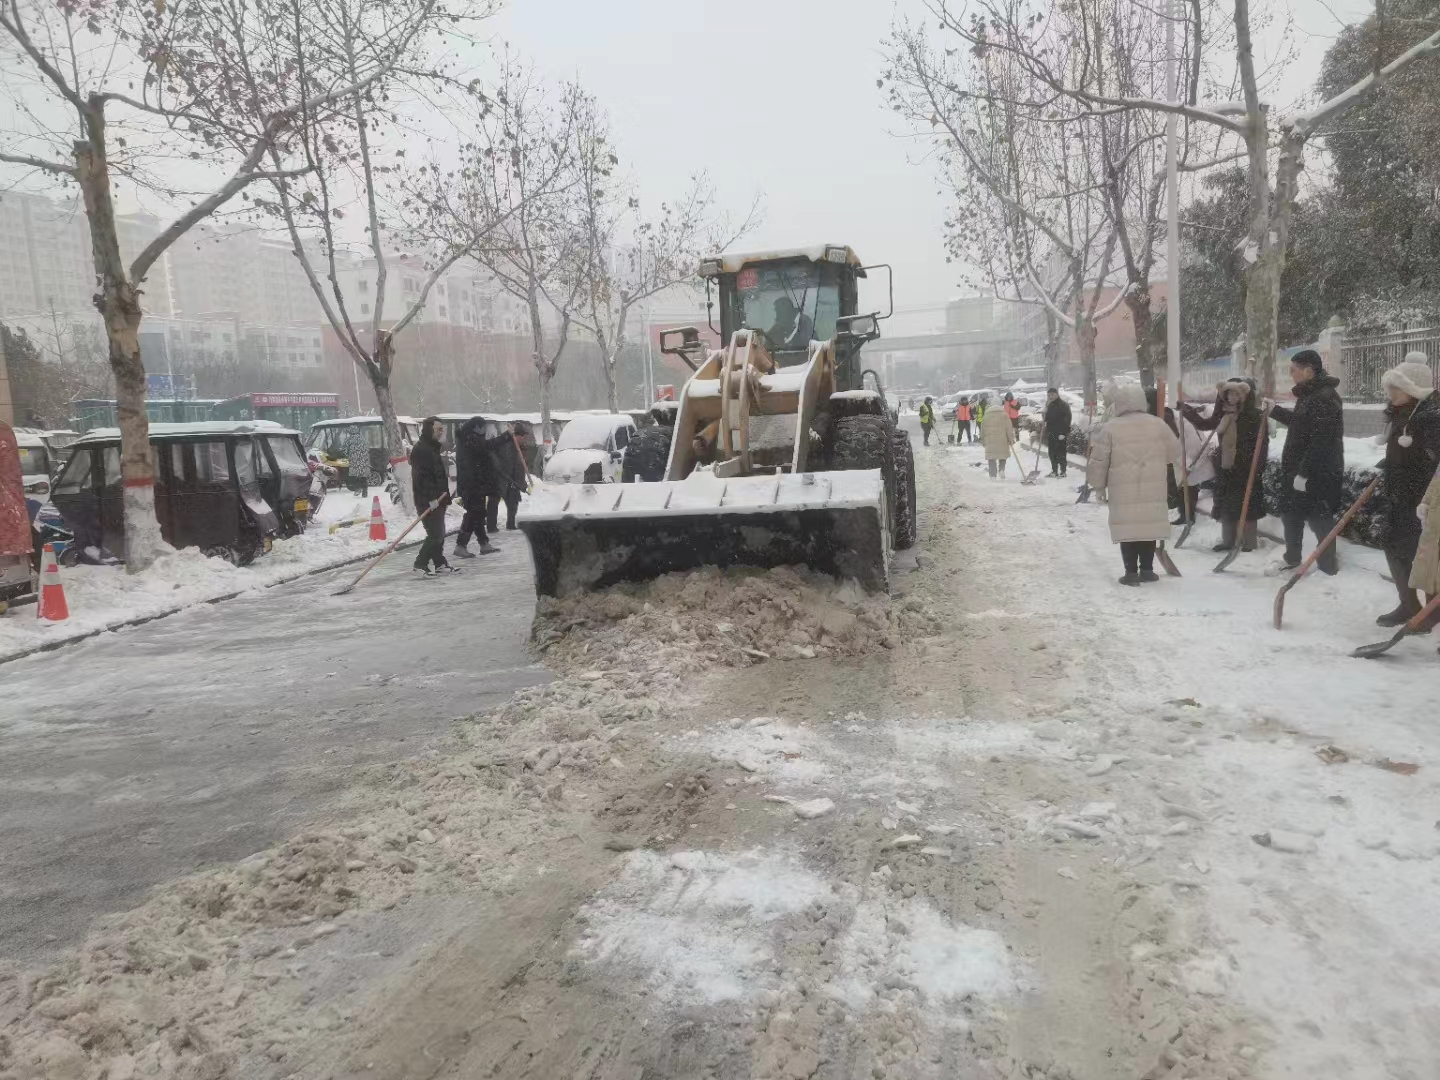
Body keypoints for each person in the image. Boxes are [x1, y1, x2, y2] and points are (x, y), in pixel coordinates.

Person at [1086, 381, 1182, 585]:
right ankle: (1147, 570)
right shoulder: (1158, 424)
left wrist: (1098, 486)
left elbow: (1099, 461)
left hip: (1123, 488)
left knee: (1128, 530)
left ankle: (1130, 573)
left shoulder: (1111, 427)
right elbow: (1174, 453)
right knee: (1147, 528)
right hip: (1152, 486)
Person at [1374, 356, 1440, 627]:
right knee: (1394, 546)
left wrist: (1419, 493)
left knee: (1426, 558)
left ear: (1413, 389)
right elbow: (1404, 452)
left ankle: (1431, 615)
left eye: (1396, 388)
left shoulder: (1431, 421)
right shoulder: (1400, 415)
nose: (1390, 394)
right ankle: (1409, 605)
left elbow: (1431, 462)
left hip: (1423, 501)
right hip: (1399, 497)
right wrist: (1388, 464)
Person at [1269, 348, 1345, 574]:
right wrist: (1275, 411)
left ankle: (1328, 569)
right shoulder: (1310, 395)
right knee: (1291, 515)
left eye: (1293, 370)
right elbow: (1301, 425)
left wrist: (1304, 473)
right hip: (1299, 469)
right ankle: (1292, 558)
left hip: (1318, 472)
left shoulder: (1324, 398)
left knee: (1319, 519)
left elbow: (1321, 440)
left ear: (1309, 371)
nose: (1291, 374)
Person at [1182, 378, 1267, 553]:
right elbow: (1205, 425)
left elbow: (1263, 443)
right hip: (1227, 467)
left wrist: (1257, 467)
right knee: (1227, 505)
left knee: (1248, 505)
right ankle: (1228, 541)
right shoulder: (1223, 414)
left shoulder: (1254, 415)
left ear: (1244, 395)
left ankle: (1249, 542)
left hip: (1246, 467)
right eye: (1229, 393)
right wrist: (1187, 411)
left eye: (1236, 393)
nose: (1232, 397)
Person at [453, 416, 512, 557]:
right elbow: (486, 446)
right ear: (476, 427)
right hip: (472, 485)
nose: (485, 430)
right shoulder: (470, 439)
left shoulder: (469, 439)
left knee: (478, 515)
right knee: (474, 514)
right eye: (483, 427)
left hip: (476, 484)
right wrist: (506, 436)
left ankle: (484, 544)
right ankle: (461, 545)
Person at [409, 416, 454, 575]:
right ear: (429, 430)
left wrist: (445, 495)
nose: (441, 432)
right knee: (435, 534)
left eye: (442, 429)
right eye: (438, 429)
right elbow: (421, 477)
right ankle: (420, 564)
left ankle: (439, 563)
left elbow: (438, 475)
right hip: (428, 500)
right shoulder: (422, 450)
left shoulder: (433, 448)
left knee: (438, 534)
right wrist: (431, 498)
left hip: (438, 498)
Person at [1410, 468, 1440, 652]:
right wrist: (1425, 502)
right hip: (1435, 528)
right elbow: (1436, 480)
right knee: (1432, 583)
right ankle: (1438, 633)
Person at [487, 421, 529, 532]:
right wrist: (505, 476)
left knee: (513, 501)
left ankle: (510, 524)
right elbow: (499, 462)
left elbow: (520, 468)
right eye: (523, 436)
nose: (525, 439)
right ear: (517, 435)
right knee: (494, 500)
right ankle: (491, 526)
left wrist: (521, 483)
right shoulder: (505, 445)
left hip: (512, 479)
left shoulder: (522, 447)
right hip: (500, 477)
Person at [980, 396, 1015, 478]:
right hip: (1002, 440)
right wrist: (1011, 439)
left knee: (991, 458)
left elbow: (982, 429)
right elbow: (1009, 428)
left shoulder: (986, 415)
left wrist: (983, 439)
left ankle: (993, 475)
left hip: (990, 441)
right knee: (1002, 456)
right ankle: (1001, 469)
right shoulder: (1004, 414)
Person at [1042, 388, 1072, 478]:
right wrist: (1044, 413)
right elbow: (1046, 419)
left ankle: (1063, 471)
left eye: (1052, 395)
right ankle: (1054, 471)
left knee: (1061, 452)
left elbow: (1068, 419)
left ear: (1057, 394)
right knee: (1052, 452)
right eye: (1049, 395)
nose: (1050, 397)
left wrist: (1064, 432)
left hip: (1060, 432)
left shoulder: (1063, 405)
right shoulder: (1049, 405)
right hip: (1051, 431)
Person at [343, 425, 372, 497]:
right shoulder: (363, 439)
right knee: (363, 476)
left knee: (356, 476)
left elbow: (344, 450)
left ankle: (357, 489)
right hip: (364, 460)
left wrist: (348, 455)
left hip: (354, 460)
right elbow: (368, 448)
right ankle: (365, 491)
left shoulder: (348, 440)